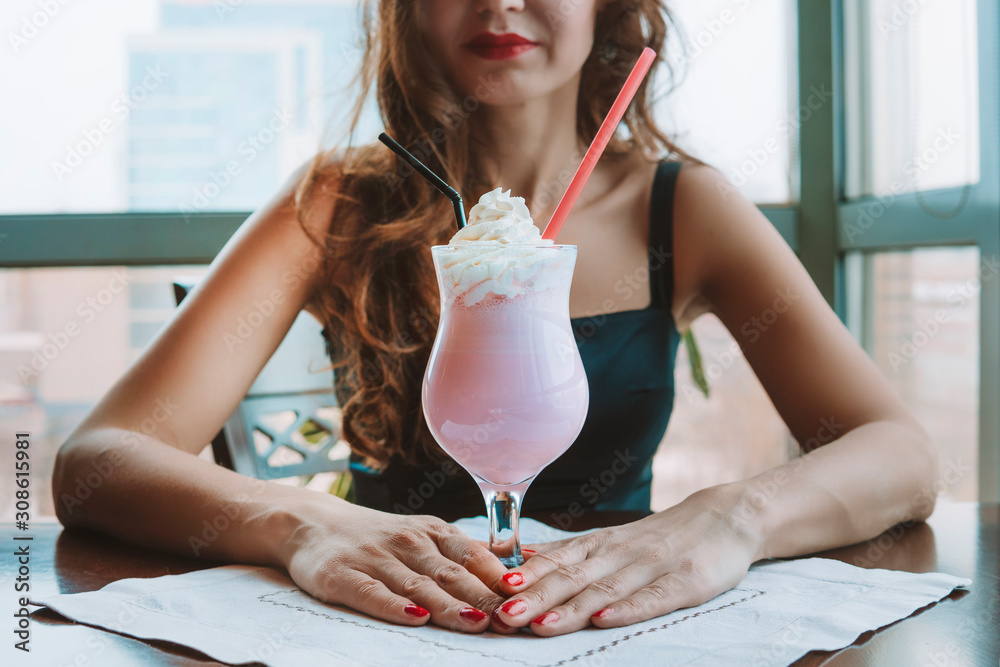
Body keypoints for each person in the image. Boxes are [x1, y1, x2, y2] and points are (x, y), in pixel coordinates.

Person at [53, 0, 939, 638]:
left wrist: (733, 516)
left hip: (610, 629)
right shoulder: (340, 203)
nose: (498, 3)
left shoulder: (682, 208)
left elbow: (900, 453)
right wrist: (300, 523)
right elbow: (98, 464)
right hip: (376, 633)